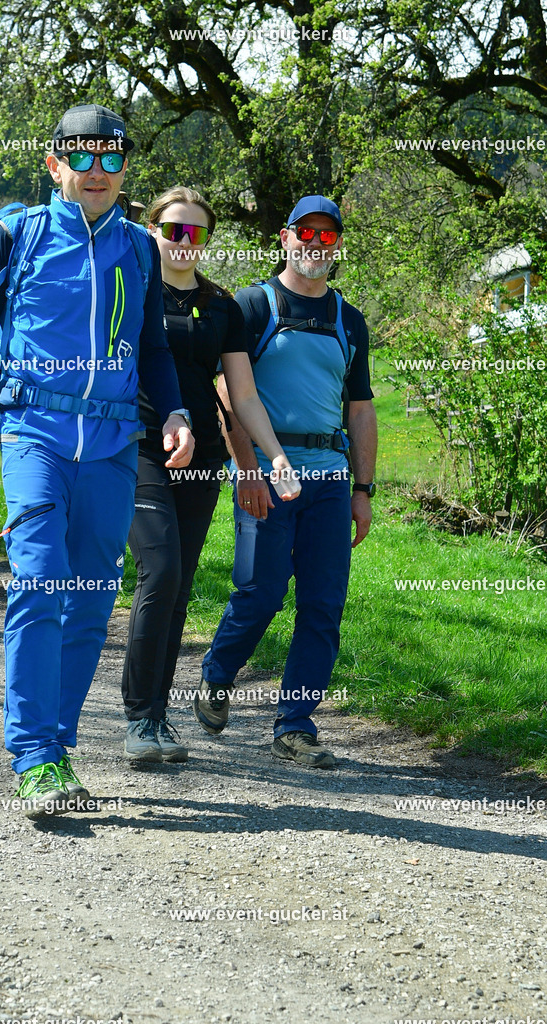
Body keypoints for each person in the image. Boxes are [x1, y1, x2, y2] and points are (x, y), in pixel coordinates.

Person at [0, 103, 194, 817]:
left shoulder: (138, 247)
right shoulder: (18, 234)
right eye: (82, 156)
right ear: (55, 163)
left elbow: (154, 349)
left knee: (92, 599)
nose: (96, 171)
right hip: (36, 437)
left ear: (126, 165)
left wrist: (179, 411)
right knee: (40, 585)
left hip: (110, 447)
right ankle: (33, 754)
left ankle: (58, 748)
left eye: (110, 157)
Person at [194, 194, 378, 768]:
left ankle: (295, 726)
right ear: (284, 236)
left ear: (338, 244)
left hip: (328, 481)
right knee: (262, 594)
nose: (316, 245)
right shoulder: (253, 305)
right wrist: (247, 469)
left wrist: (363, 490)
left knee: (323, 606)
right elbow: (229, 393)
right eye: (307, 233)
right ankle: (216, 678)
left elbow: (362, 409)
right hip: (268, 478)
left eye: (328, 236)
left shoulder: (349, 318)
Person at [122, 186, 300, 764]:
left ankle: (156, 715)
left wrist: (271, 456)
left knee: (176, 590)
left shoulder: (220, 304)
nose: (183, 241)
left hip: (202, 462)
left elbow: (242, 394)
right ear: (152, 230)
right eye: (173, 229)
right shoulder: (130, 289)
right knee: (162, 571)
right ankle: (140, 717)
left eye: (196, 232)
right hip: (137, 450)